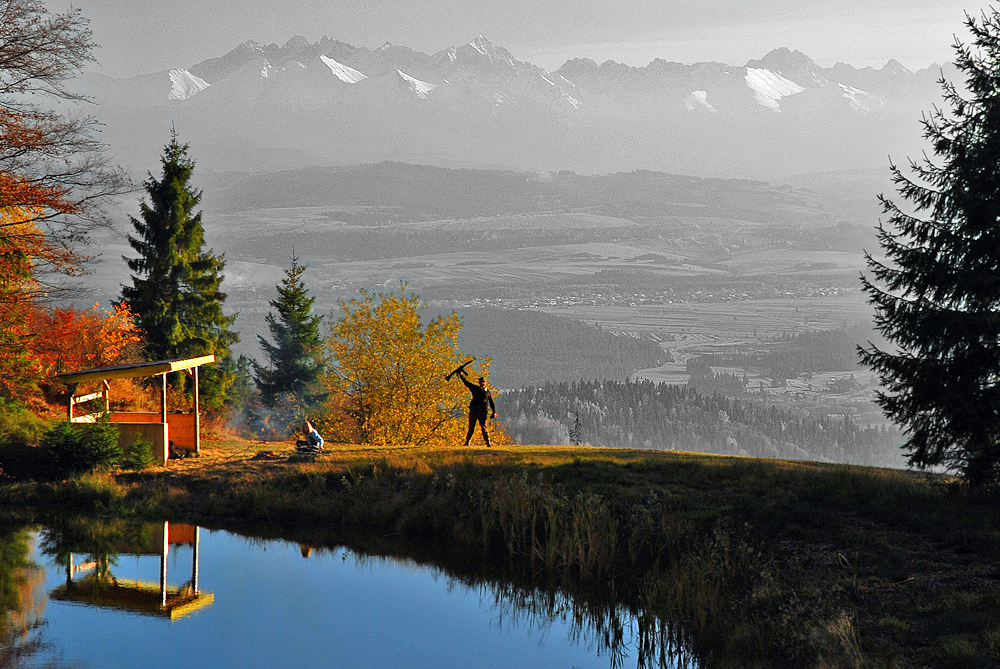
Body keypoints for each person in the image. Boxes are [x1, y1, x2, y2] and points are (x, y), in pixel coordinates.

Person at [456, 369, 496, 447]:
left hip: (483, 412)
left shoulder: (488, 392)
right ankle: (467, 442)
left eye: (483, 382)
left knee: (484, 428)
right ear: (479, 383)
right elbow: (467, 383)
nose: (482, 383)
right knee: (471, 427)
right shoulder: (475, 388)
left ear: (485, 383)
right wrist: (461, 375)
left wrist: (494, 411)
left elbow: (491, 402)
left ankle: (488, 443)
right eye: (481, 382)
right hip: (474, 411)